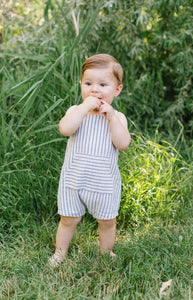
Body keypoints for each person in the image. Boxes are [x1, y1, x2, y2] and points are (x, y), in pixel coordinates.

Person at [49, 53, 131, 267]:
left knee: (107, 222)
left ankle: (106, 252)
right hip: (74, 182)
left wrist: (112, 117)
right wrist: (83, 108)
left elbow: (123, 143)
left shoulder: (117, 118)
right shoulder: (76, 112)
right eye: (88, 83)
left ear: (117, 90)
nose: (94, 89)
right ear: (81, 85)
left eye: (103, 84)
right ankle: (60, 252)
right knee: (68, 220)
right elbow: (65, 129)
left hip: (103, 185)